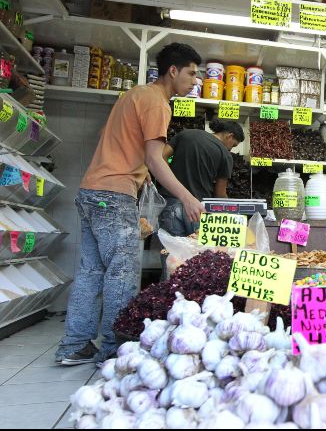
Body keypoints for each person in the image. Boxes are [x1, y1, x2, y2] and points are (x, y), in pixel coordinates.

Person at [56, 43, 203, 366]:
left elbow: (120, 142)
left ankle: (74, 345)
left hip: (91, 191)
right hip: (114, 196)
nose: (195, 81)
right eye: (191, 73)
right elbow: (155, 156)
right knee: (122, 273)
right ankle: (115, 348)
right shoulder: (158, 103)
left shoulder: (134, 95)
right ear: (173, 71)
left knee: (91, 271)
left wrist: (139, 171)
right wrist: (186, 196)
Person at [158, 119, 244, 238]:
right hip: (198, 210)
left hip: (171, 202)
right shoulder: (225, 154)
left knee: (171, 252)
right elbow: (220, 194)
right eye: (233, 145)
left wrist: (171, 180)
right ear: (230, 136)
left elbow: (161, 157)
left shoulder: (186, 134)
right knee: (198, 254)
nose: (231, 149)